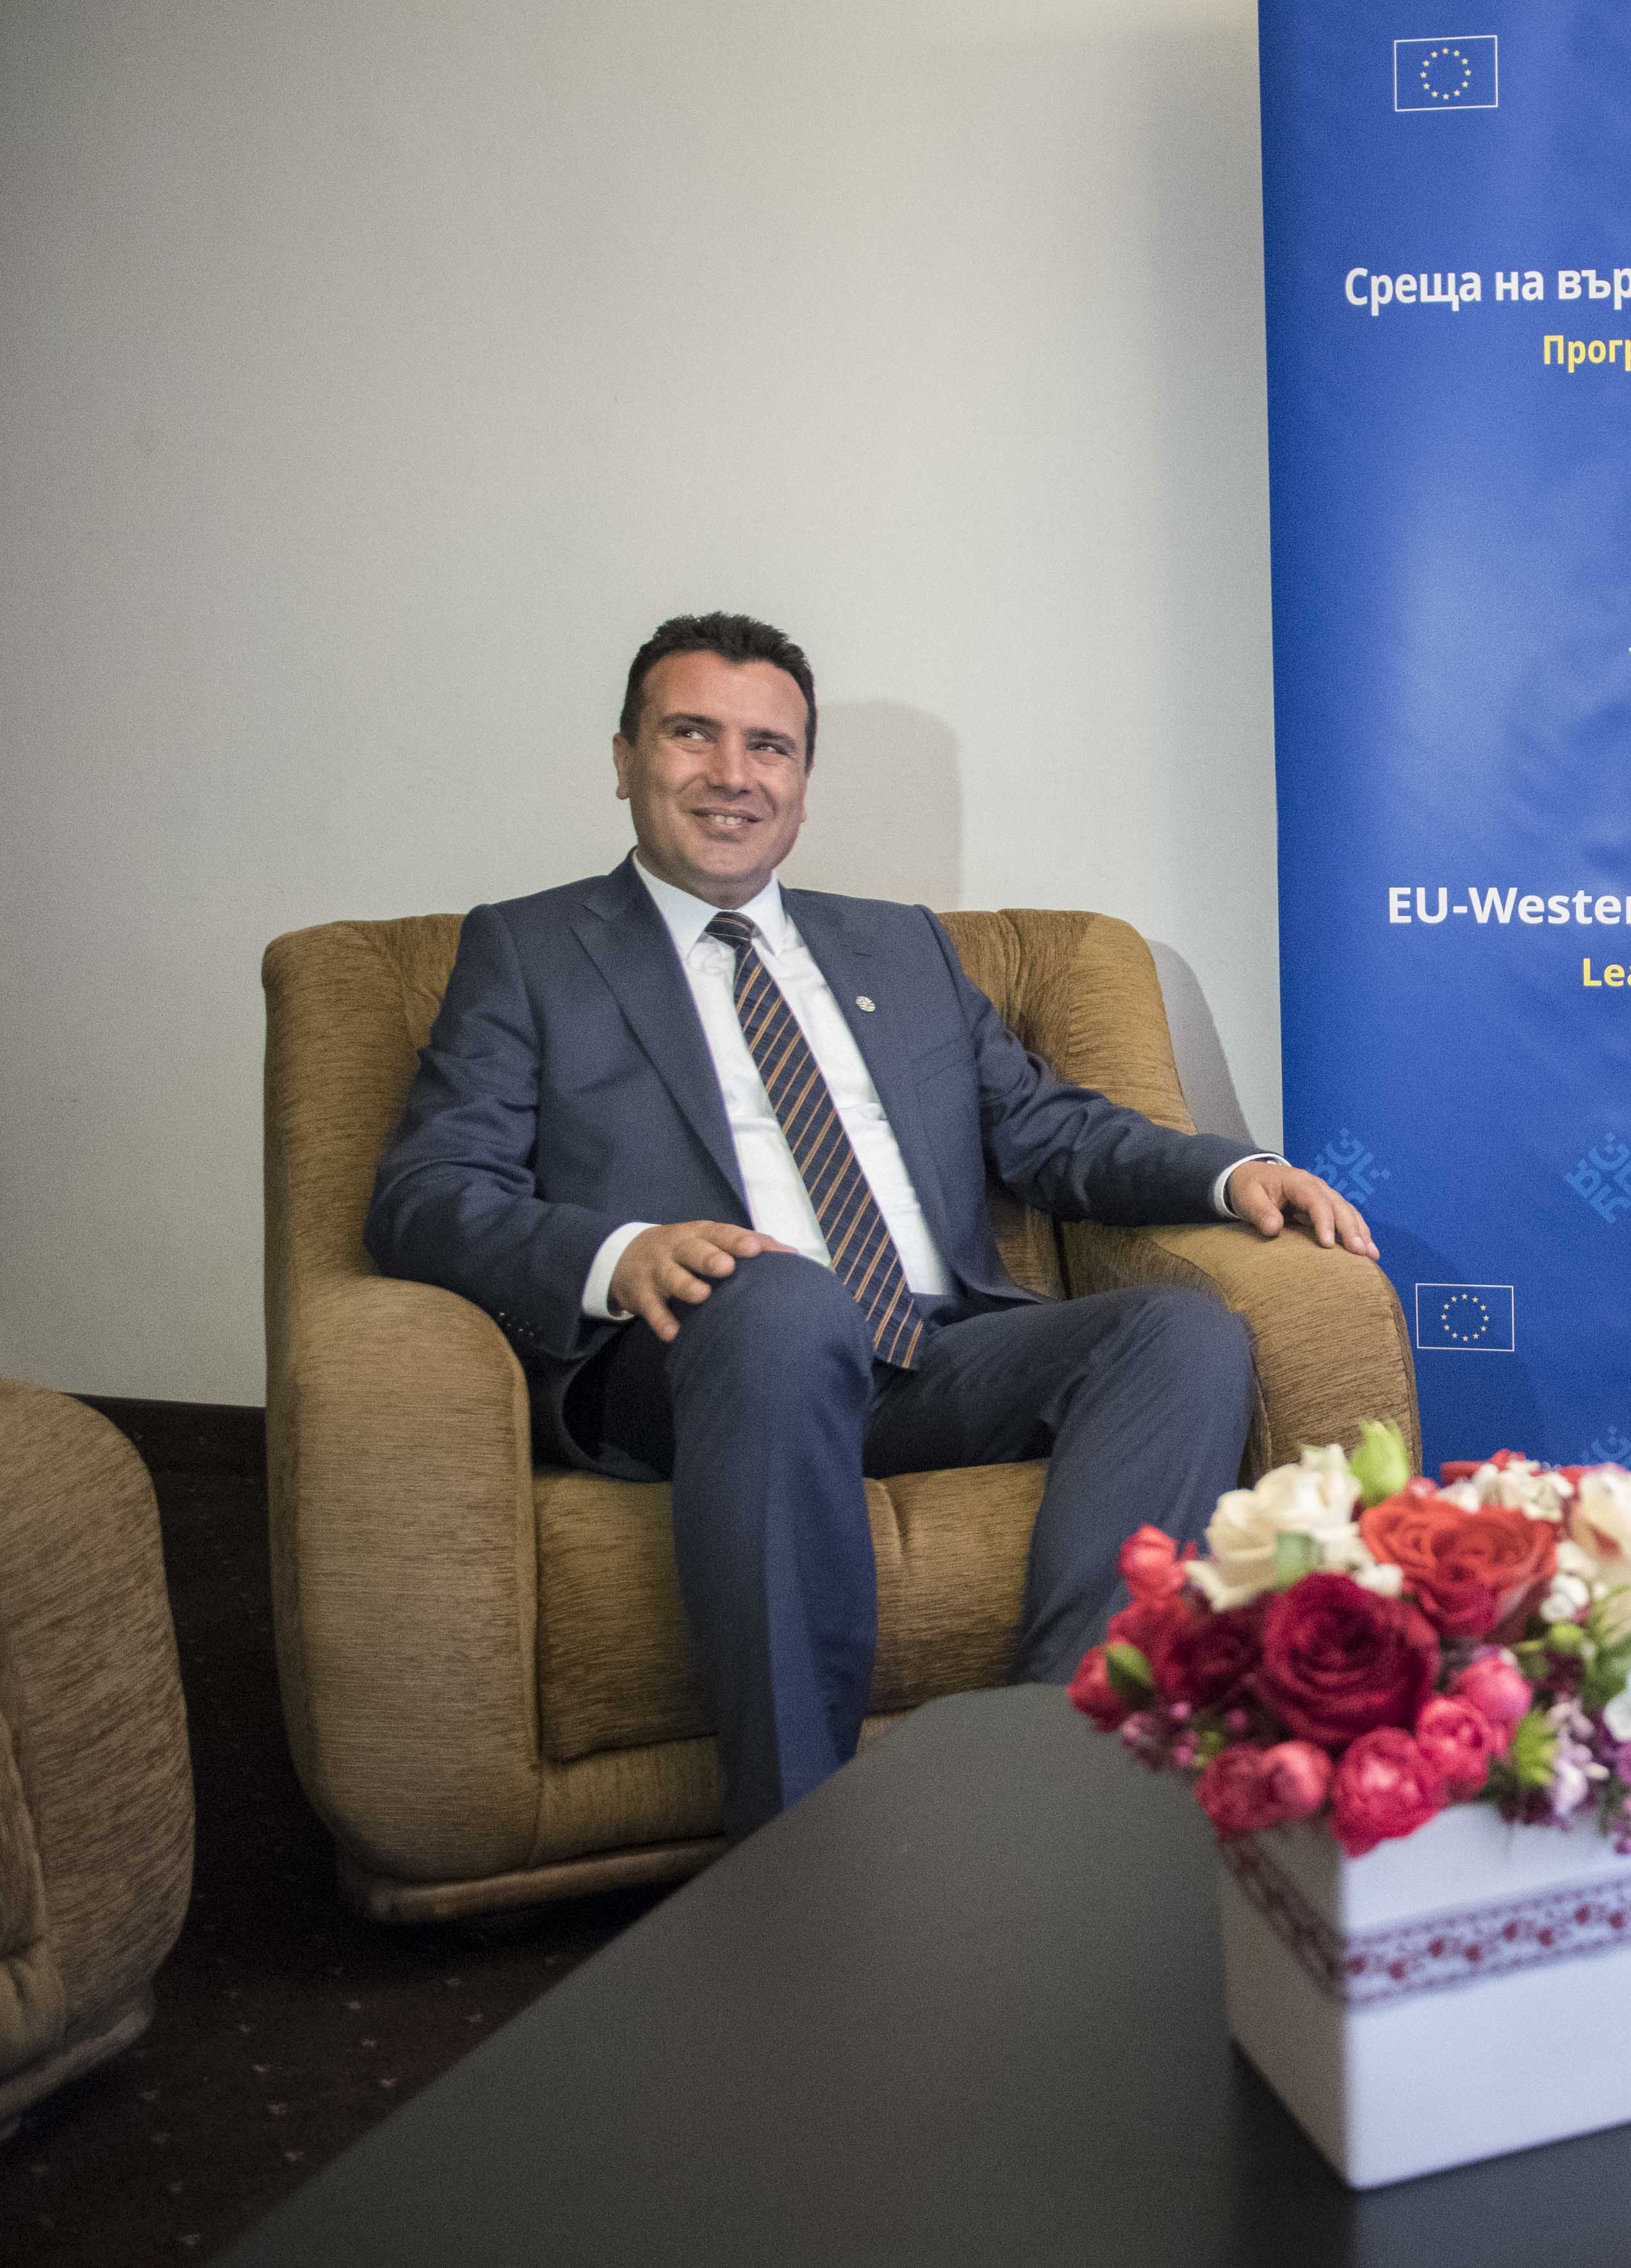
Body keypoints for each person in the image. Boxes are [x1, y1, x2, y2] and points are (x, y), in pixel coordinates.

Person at [366, 612, 1375, 1835]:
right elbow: (426, 1193)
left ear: (802, 782)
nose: (733, 774)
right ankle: (801, 1848)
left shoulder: (900, 947)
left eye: (769, 747)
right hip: (701, 1357)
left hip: (927, 1349)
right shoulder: (529, 951)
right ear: (624, 758)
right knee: (786, 1301)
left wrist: (1233, 1172)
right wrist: (619, 1254)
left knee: (1181, 1333)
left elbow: (1048, 1129)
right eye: (691, 734)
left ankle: (1060, 1788)